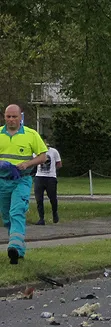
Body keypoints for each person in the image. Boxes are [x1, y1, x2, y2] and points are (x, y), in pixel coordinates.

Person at [0, 104, 49, 264]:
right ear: (4, 117)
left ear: (20, 117)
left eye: (14, 117)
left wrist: (27, 164)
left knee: (16, 212)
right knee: (7, 217)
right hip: (3, 182)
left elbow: (43, 156)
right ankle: (17, 247)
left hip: (22, 180)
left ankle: (14, 248)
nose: (11, 120)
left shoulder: (31, 134)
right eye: (8, 117)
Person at [33, 142, 62, 225]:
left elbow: (59, 164)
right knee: (39, 199)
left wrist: (53, 170)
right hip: (39, 176)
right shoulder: (36, 152)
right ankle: (41, 218)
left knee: (52, 198)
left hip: (50, 178)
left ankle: (55, 213)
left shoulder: (54, 152)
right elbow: (33, 162)